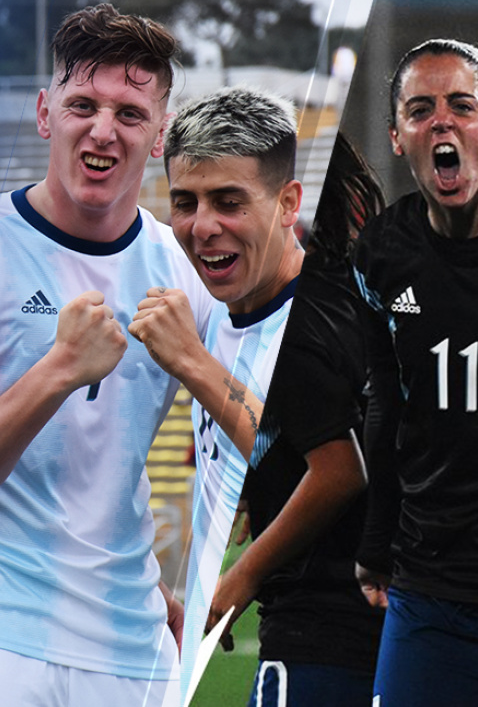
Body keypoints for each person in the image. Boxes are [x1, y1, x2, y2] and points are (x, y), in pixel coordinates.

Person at [0, 3, 214, 707]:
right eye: (82, 106)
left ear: (160, 135)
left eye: (130, 113)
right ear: (45, 114)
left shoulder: (183, 270)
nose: (103, 130)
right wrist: (60, 369)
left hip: (127, 637)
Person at [127, 86, 306, 699]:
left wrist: (192, 363)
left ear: (288, 203)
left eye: (229, 201)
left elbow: (327, 466)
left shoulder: (328, 312)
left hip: (344, 633)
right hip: (286, 628)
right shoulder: (222, 310)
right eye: (185, 202)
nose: (203, 227)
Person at [207, 133, 386, 706]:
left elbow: (339, 469)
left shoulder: (294, 318)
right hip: (380, 624)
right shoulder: (349, 289)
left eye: (230, 201)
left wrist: (240, 578)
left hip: (320, 633)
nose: (208, 225)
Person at [354, 38, 478, 706]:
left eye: (463, 105)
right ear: (398, 137)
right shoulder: (381, 254)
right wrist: (376, 543)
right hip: (428, 587)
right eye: (421, 109)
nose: (442, 122)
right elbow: (387, 406)